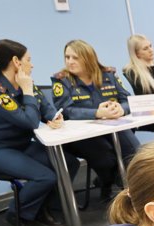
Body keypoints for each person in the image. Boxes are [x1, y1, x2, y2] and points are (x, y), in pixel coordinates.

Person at [0, 39, 76, 226]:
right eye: (29, 59)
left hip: (23, 145)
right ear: (16, 61)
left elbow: (45, 107)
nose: (32, 64)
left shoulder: (24, 82)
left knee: (70, 163)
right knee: (45, 177)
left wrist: (54, 116)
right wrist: (27, 90)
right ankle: (16, 214)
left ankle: (44, 208)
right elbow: (29, 121)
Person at [51, 39, 140, 201]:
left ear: (88, 57)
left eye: (75, 57)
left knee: (135, 152)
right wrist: (96, 113)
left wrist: (122, 109)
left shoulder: (108, 74)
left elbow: (127, 100)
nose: (69, 61)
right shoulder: (61, 80)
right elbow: (67, 110)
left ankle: (126, 187)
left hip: (113, 126)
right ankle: (109, 185)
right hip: (83, 135)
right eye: (67, 57)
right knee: (106, 158)